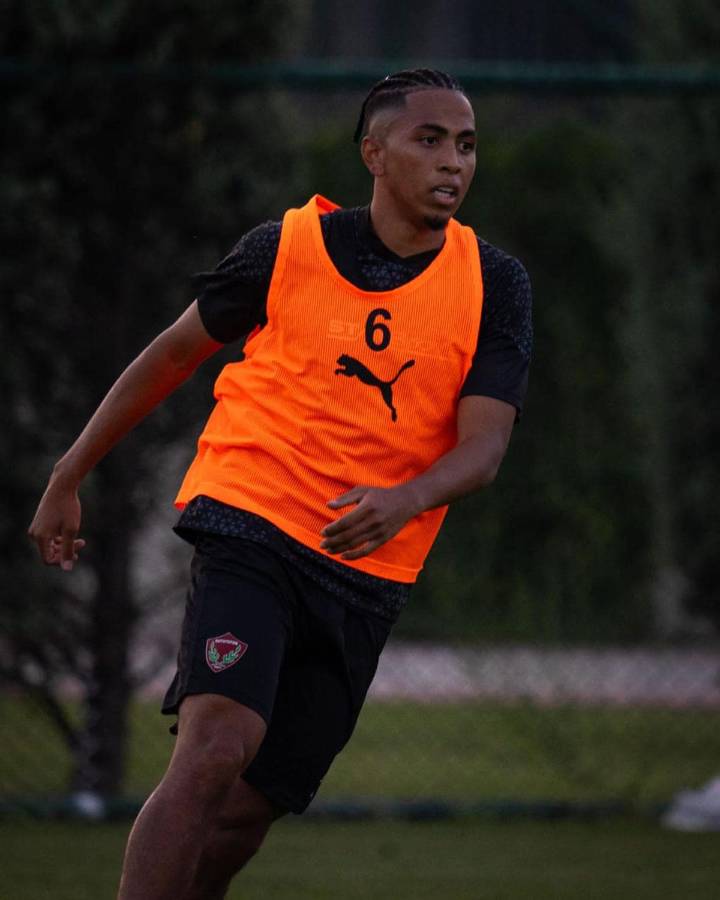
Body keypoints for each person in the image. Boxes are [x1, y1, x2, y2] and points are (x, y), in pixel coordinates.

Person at [28, 68, 532, 900]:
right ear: (374, 153)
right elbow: (172, 355)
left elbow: (484, 449)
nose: (454, 162)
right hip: (252, 520)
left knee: (247, 811)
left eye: (468, 144)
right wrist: (68, 471)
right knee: (216, 749)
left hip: (366, 570)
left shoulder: (495, 283)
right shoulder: (283, 248)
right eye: (429, 139)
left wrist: (402, 500)